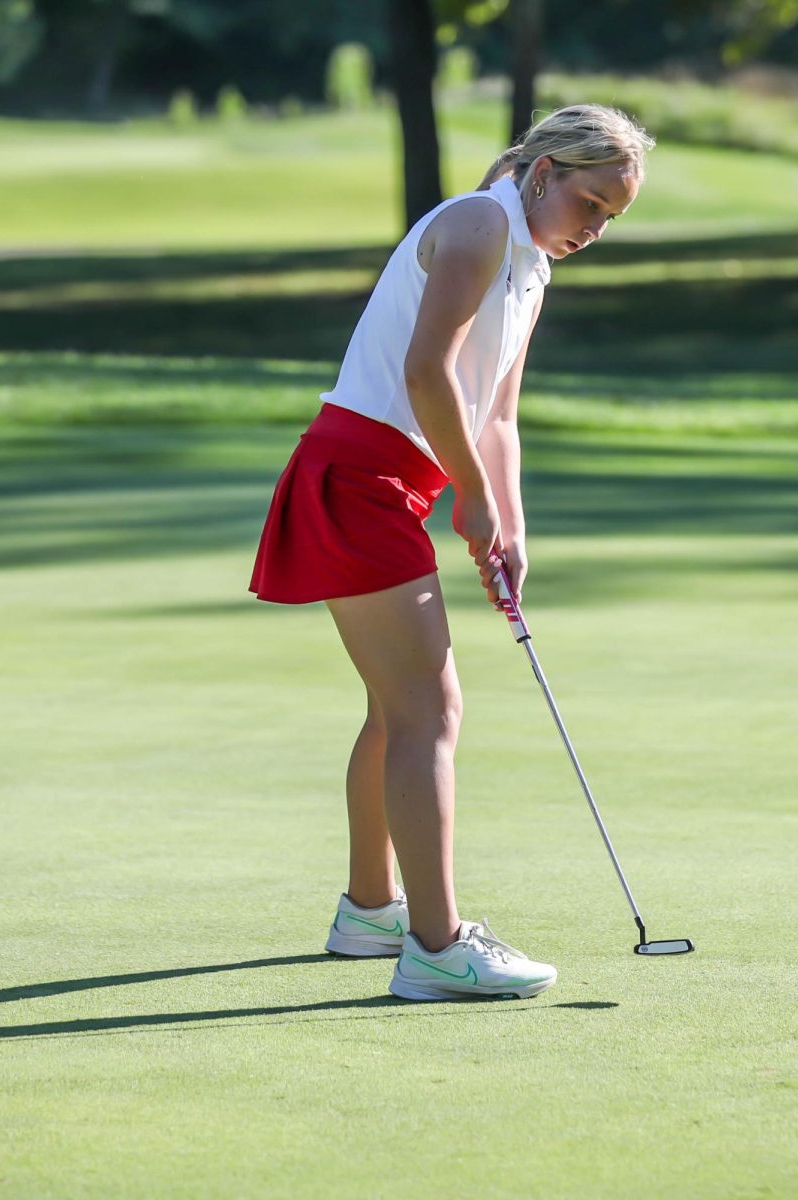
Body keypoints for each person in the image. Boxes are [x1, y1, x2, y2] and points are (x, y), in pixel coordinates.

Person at [249, 104, 653, 1001]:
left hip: (391, 481)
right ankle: (435, 946)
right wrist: (466, 497)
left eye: (609, 219)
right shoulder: (477, 224)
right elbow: (428, 372)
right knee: (430, 709)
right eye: (589, 203)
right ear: (542, 171)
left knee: (399, 712)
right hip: (356, 473)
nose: (593, 229)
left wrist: (505, 522)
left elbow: (495, 413)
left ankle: (369, 911)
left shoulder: (532, 263)